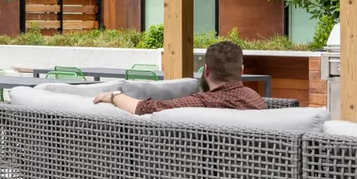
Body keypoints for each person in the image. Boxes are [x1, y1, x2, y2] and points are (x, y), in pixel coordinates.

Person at [92, 40, 266, 115]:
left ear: (206, 71)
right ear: (241, 71)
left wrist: (115, 95)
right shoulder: (256, 99)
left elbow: (145, 109)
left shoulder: (203, 103)